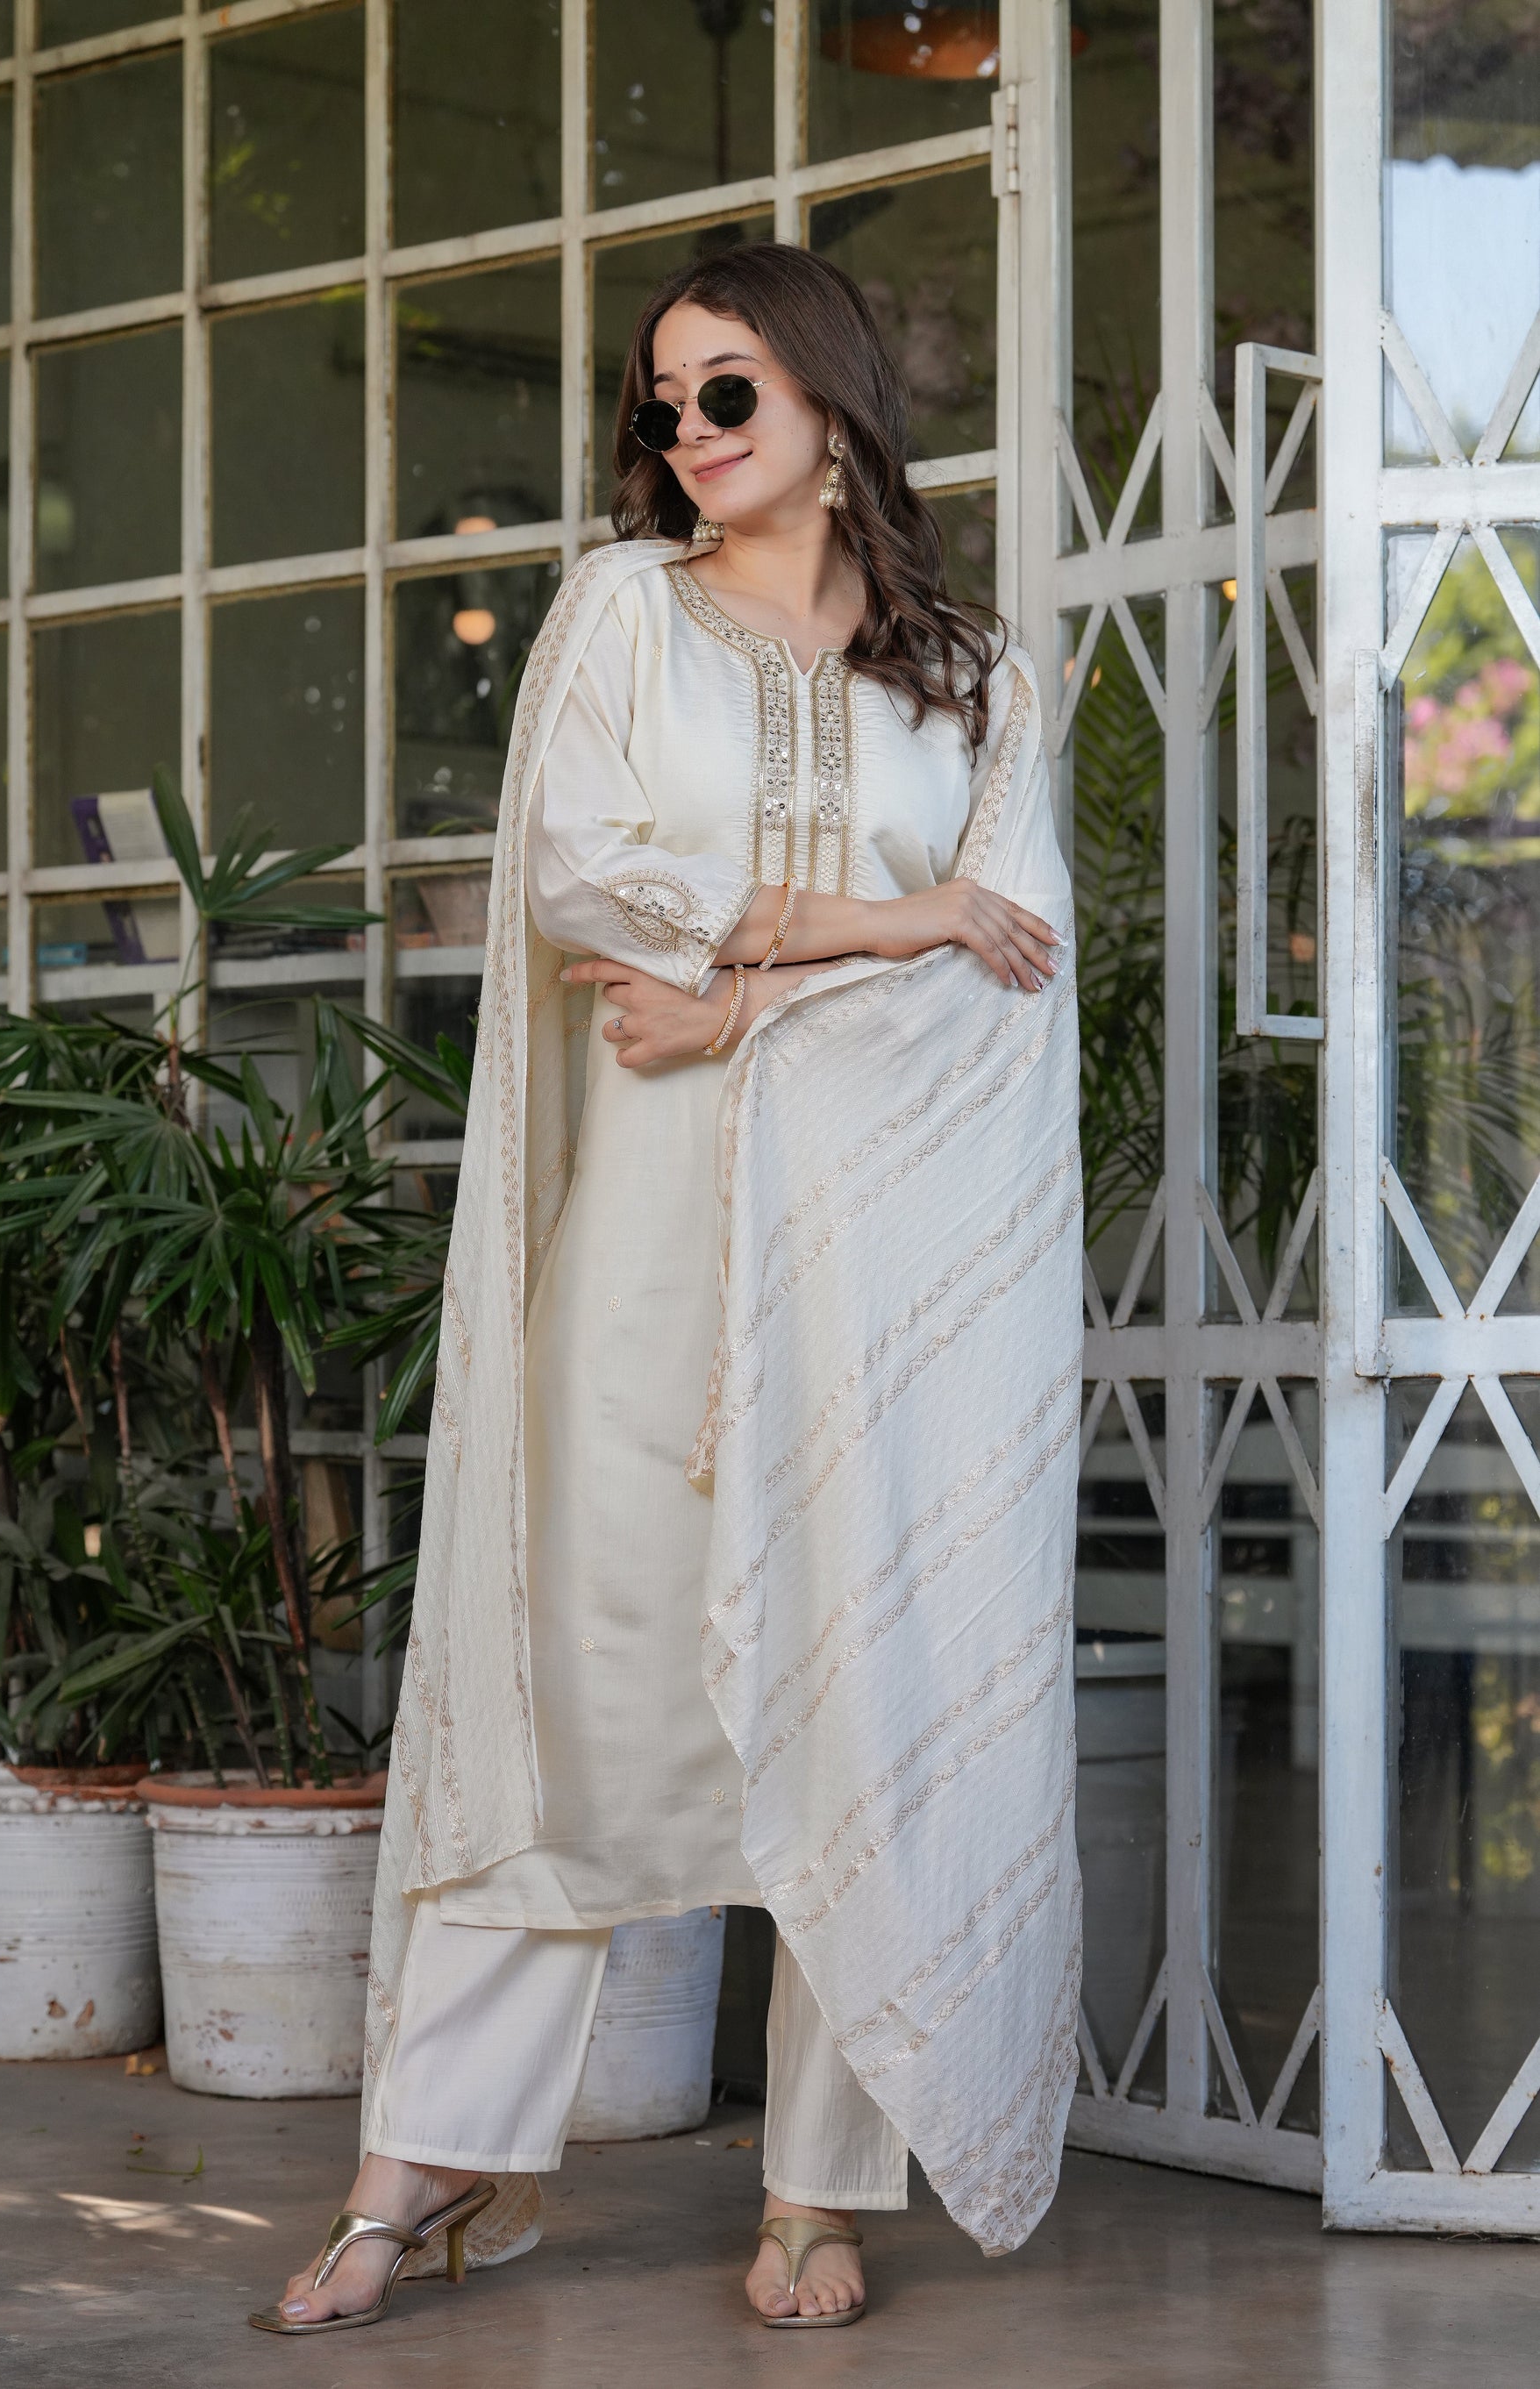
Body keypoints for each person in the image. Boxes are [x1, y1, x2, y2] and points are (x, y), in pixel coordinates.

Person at [253, 242, 1081, 2338]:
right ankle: (426, 2155)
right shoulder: (622, 614)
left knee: (860, 1696)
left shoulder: (976, 676)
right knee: (572, 1683)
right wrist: (875, 924)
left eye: (726, 393)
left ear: (829, 398)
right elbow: (578, 881)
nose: (685, 432)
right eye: (661, 401)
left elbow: (1010, 970)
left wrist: (741, 1000)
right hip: (643, 1260)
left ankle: (818, 2188)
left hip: (876, 1282)